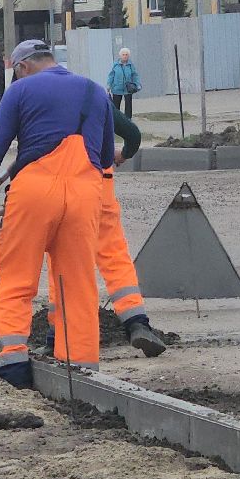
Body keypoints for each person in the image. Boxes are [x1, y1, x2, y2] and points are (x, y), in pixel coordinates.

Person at [0, 39, 112, 388]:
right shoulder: (96, 92)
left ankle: (14, 367)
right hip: (86, 194)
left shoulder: (21, 91)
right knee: (77, 285)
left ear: (21, 67)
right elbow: (106, 155)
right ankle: (81, 373)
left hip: (34, 191)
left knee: (16, 277)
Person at [96, 108, 168, 356]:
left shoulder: (36, 97)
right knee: (114, 257)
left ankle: (58, 335)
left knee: (64, 261)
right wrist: (122, 154)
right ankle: (137, 322)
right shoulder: (92, 95)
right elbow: (133, 135)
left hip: (66, 186)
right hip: (100, 183)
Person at [106, 47, 140, 117]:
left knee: (128, 105)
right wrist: (108, 85)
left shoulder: (130, 65)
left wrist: (137, 84)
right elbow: (111, 76)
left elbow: (135, 75)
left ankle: (128, 120)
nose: (125, 56)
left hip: (128, 88)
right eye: (123, 54)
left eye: (126, 54)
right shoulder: (116, 65)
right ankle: (116, 120)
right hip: (117, 88)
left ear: (128, 56)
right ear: (120, 55)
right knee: (116, 106)